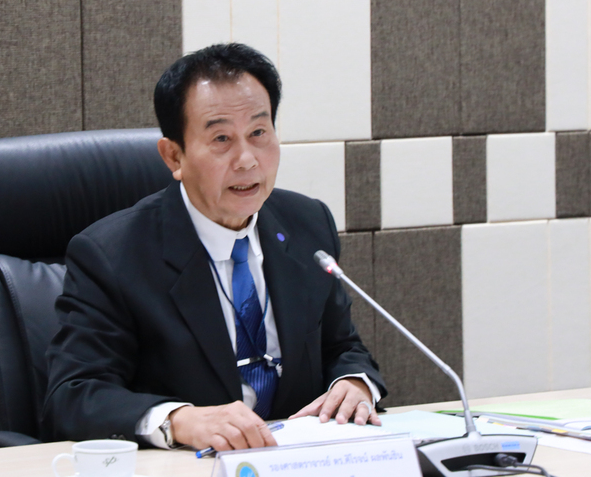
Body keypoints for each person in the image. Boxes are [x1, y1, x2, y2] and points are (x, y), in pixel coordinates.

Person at [43, 43, 386, 452]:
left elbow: (341, 346)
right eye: (221, 138)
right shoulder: (112, 255)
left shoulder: (307, 225)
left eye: (258, 133)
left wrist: (354, 382)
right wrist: (178, 420)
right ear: (174, 156)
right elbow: (73, 395)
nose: (246, 160)